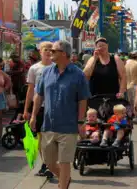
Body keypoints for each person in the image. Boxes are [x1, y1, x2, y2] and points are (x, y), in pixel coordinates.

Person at [31, 40, 91, 189]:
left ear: (63, 53)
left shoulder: (78, 74)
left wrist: (80, 121)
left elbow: (83, 99)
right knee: (49, 163)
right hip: (49, 125)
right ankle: (64, 179)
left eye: (53, 51)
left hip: (69, 126)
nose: (50, 52)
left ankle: (63, 184)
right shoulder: (46, 72)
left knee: (64, 162)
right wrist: (33, 115)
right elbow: (38, 95)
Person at [24, 41, 54, 178]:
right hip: (39, 107)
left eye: (50, 49)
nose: (48, 52)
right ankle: (46, 163)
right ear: (40, 52)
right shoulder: (34, 69)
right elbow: (30, 90)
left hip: (54, 107)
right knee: (41, 138)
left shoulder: (57, 67)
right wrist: (26, 110)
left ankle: (50, 164)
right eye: (45, 49)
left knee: (51, 137)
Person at [125, 52, 137, 121]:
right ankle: (135, 117)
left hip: (127, 85)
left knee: (129, 102)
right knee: (136, 102)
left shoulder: (125, 64)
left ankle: (129, 116)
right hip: (135, 84)